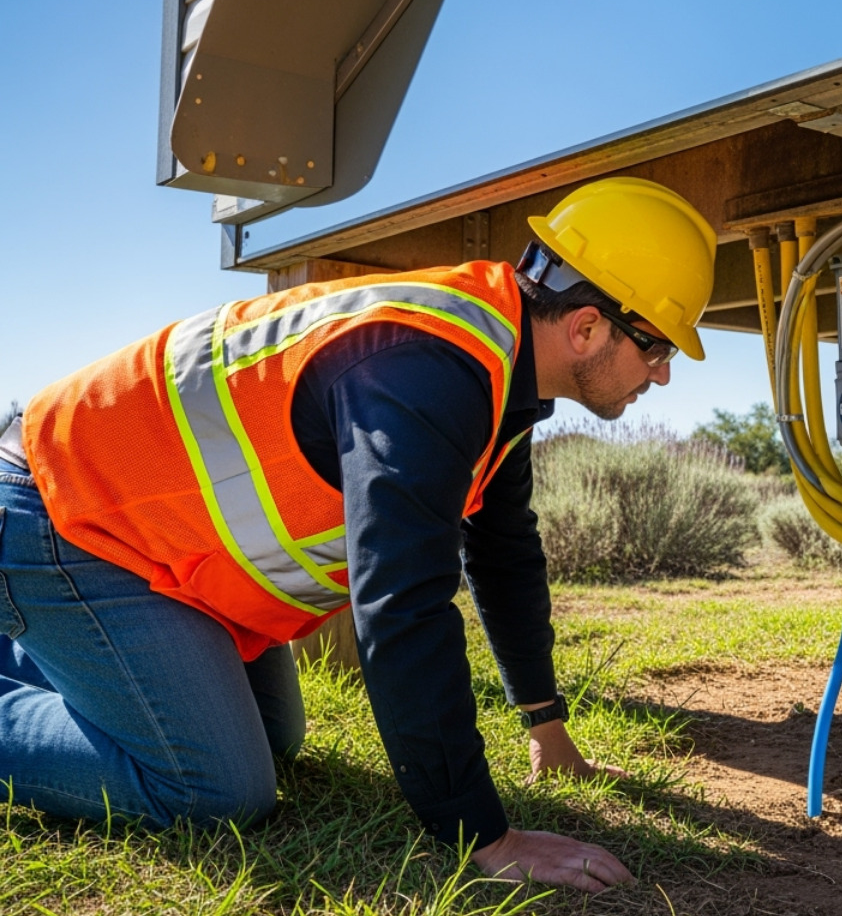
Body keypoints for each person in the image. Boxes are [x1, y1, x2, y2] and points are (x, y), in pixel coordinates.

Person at [0, 177, 716, 894]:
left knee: (276, 740)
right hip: (61, 518)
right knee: (213, 788)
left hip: (147, 541)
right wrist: (481, 834)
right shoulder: (430, 368)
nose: (660, 375)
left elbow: (502, 553)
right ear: (587, 327)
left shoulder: (496, 365)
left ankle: (49, 647)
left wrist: (548, 732)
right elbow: (401, 606)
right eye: (656, 347)